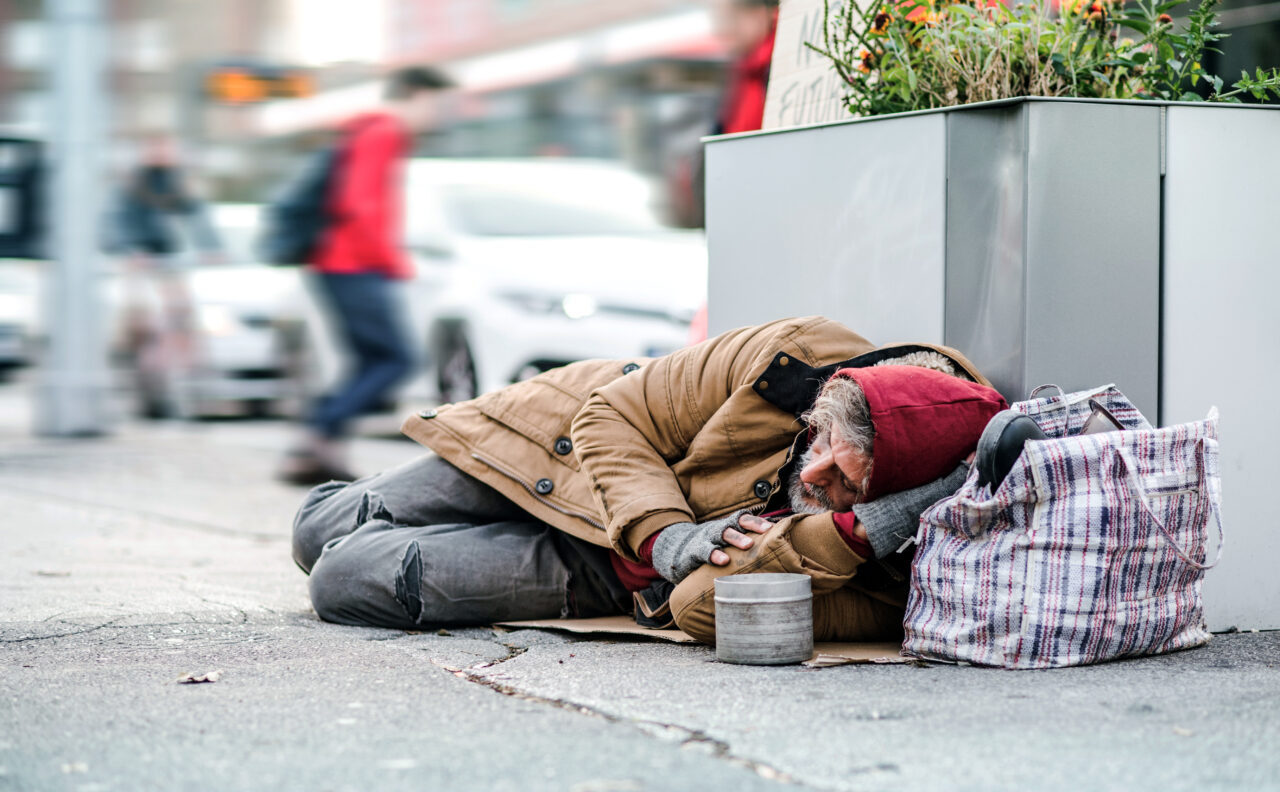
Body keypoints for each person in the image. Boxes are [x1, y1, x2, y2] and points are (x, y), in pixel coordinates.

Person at [292, 316, 1008, 643]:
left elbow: (703, 608)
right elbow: (612, 415)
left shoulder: (900, 569)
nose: (814, 476)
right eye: (817, 442)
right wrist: (670, 538)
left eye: (848, 484)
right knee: (316, 529)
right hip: (563, 448)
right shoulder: (798, 354)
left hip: (599, 568)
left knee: (343, 578)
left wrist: (857, 532)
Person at [279, 66, 453, 485]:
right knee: (397, 359)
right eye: (438, 103)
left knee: (370, 360)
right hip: (352, 263)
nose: (441, 114)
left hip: (342, 262)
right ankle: (317, 433)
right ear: (414, 95)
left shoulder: (373, 131)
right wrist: (389, 260)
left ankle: (322, 451)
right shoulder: (384, 132)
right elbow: (359, 205)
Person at [108, 133, 222, 418]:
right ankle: (137, 364)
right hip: (142, 261)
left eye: (167, 148)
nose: (163, 153)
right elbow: (119, 220)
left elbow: (198, 215)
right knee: (140, 319)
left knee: (182, 313)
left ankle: (190, 372)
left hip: (171, 261)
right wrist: (130, 249)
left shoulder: (178, 182)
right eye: (157, 148)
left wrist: (212, 247)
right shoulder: (132, 184)